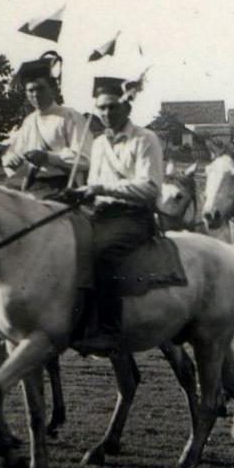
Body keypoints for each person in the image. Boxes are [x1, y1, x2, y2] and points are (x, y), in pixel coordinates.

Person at [67, 75, 163, 353]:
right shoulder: (97, 144)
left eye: (112, 107)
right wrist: (80, 195)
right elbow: (96, 189)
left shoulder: (146, 139)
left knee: (102, 251)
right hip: (101, 215)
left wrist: (98, 187)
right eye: (102, 108)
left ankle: (108, 328)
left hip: (134, 217)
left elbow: (149, 187)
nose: (106, 113)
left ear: (127, 108)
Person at [1, 52, 88, 197]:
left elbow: (85, 159)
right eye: (30, 90)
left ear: (53, 89)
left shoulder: (70, 116)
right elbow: (11, 155)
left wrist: (48, 157)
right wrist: (12, 161)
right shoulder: (28, 121)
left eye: (40, 88)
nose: (35, 94)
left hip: (63, 187)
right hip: (32, 185)